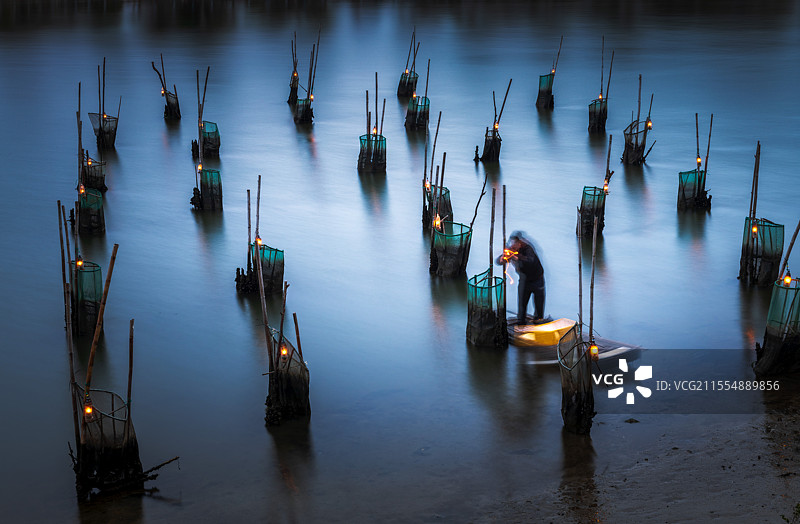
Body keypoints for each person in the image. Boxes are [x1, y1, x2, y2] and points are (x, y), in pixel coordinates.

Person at [496, 231, 546, 325]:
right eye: (513, 243)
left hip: (537, 280)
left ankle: (538, 321)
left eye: (516, 242)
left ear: (521, 242)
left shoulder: (528, 249)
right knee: (522, 305)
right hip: (524, 280)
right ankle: (521, 323)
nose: (514, 245)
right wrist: (502, 259)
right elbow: (498, 261)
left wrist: (516, 258)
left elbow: (529, 262)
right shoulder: (511, 251)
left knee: (539, 305)